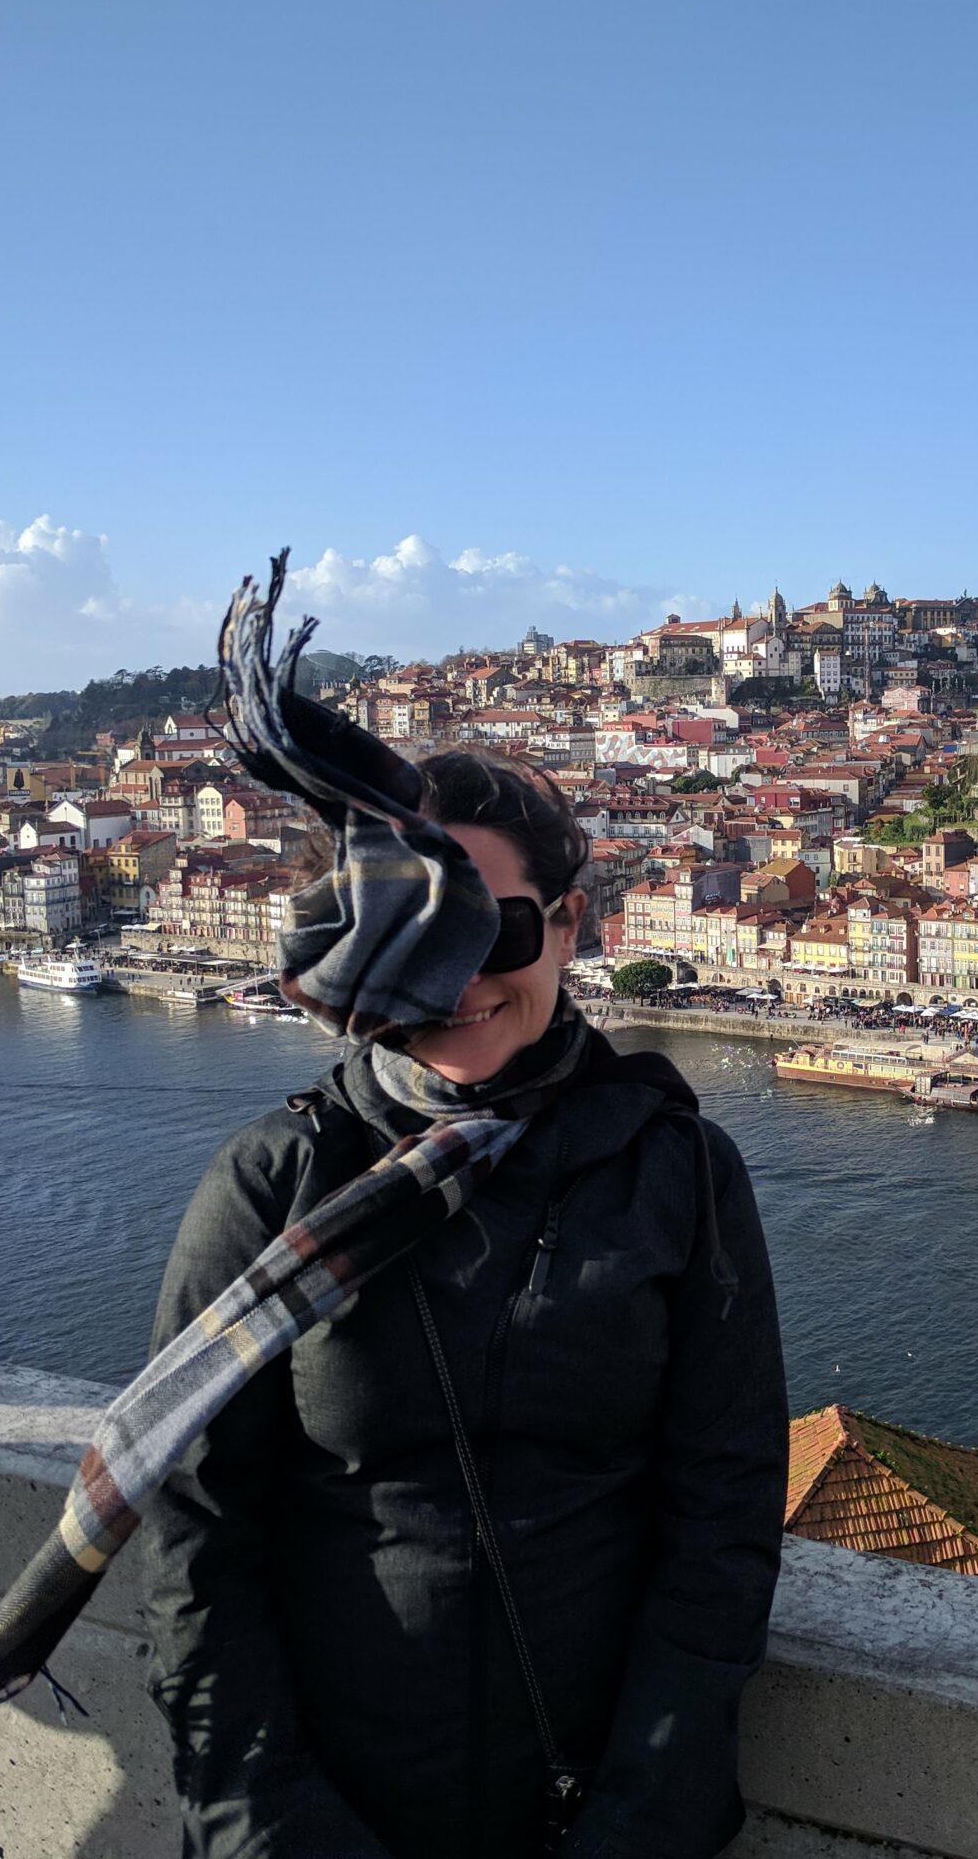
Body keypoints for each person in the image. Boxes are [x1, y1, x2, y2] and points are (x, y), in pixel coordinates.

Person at [139, 746, 788, 1856]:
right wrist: (271, 1827)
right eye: (410, 945)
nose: (459, 983)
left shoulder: (678, 1173)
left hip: (607, 1808)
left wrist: (640, 1824)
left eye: (498, 931)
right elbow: (194, 1537)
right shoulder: (277, 1183)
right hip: (324, 1816)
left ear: (571, 924)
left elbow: (722, 1521)